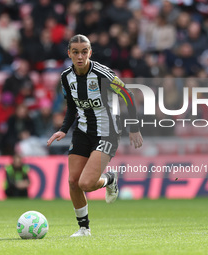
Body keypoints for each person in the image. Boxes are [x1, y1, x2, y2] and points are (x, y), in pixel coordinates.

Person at [47, 34, 143, 237]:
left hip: (107, 133)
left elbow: (128, 94)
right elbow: (72, 106)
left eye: (84, 52)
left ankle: (109, 178)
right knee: (73, 182)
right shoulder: (66, 77)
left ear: (90, 52)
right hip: (82, 132)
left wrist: (133, 127)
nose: (80, 56)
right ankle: (84, 229)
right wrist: (64, 129)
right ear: (69, 54)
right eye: (75, 52)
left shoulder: (102, 74)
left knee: (86, 183)